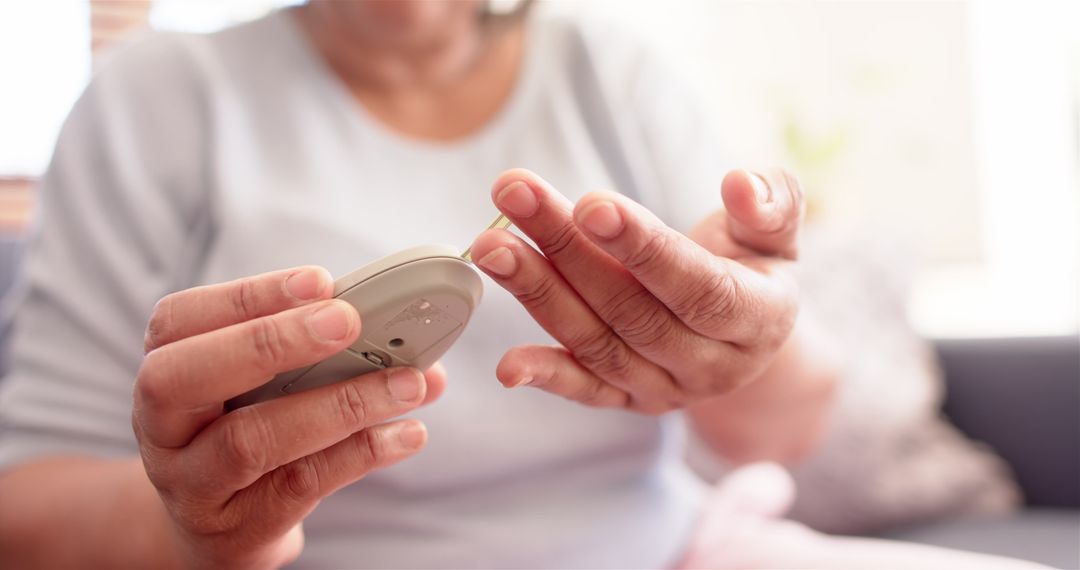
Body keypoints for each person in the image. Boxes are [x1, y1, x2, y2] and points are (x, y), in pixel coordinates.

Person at [0, 2, 1043, 568]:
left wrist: (743, 330)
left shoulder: (612, 66)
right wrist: (201, 533)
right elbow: (26, 513)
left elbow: (779, 433)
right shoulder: (158, 99)